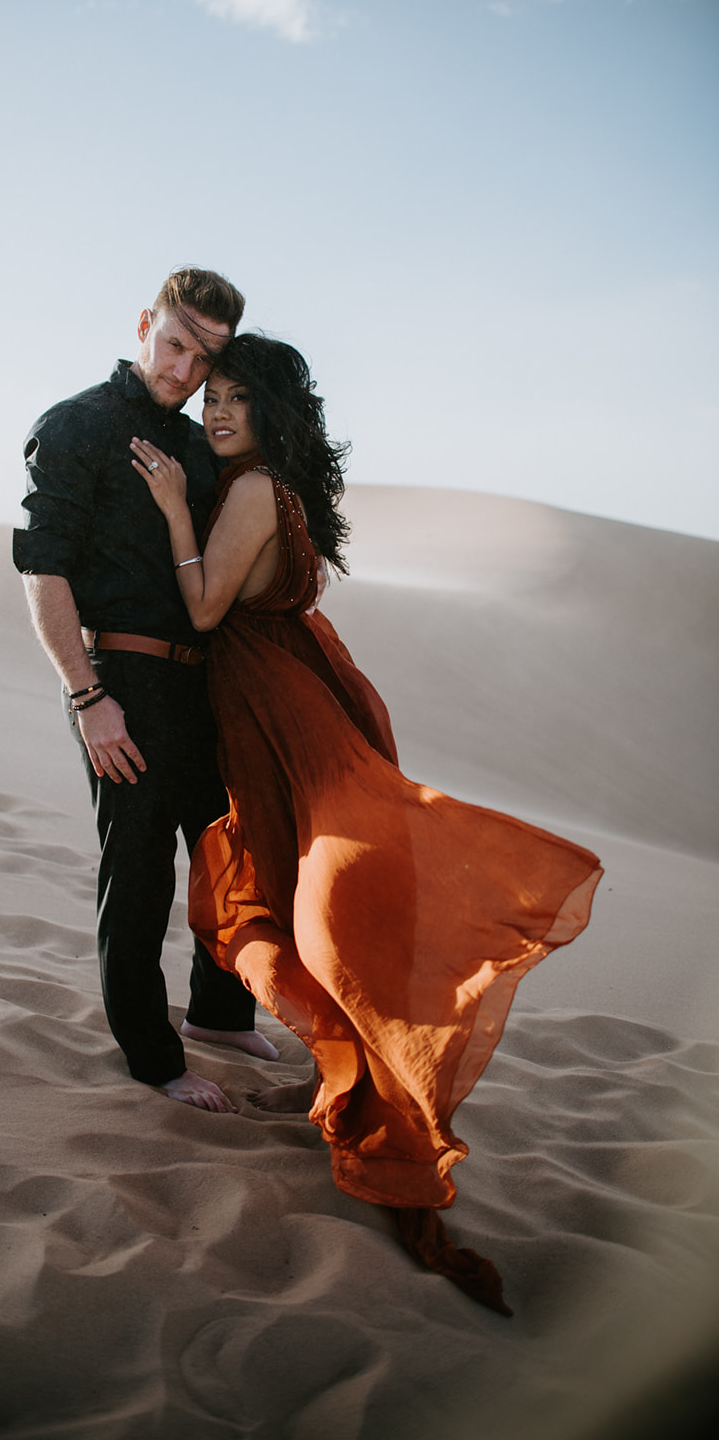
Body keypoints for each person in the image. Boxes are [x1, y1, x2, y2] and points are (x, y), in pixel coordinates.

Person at [131, 333, 603, 1310]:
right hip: (277, 720)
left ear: (270, 413)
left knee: (315, 908)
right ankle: (345, 1076)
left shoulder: (253, 491)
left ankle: (377, 1080)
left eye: (236, 400)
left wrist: (174, 505)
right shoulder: (277, 490)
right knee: (288, 893)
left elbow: (209, 605)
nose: (217, 413)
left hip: (282, 728)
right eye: (210, 397)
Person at [12, 269, 278, 1113]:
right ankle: (152, 1058)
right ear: (143, 324)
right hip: (119, 679)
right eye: (173, 345)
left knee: (226, 852)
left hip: (204, 683)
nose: (184, 370)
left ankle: (219, 1012)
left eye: (205, 359)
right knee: (138, 871)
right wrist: (89, 700)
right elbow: (42, 569)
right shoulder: (76, 425)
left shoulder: (205, 446)